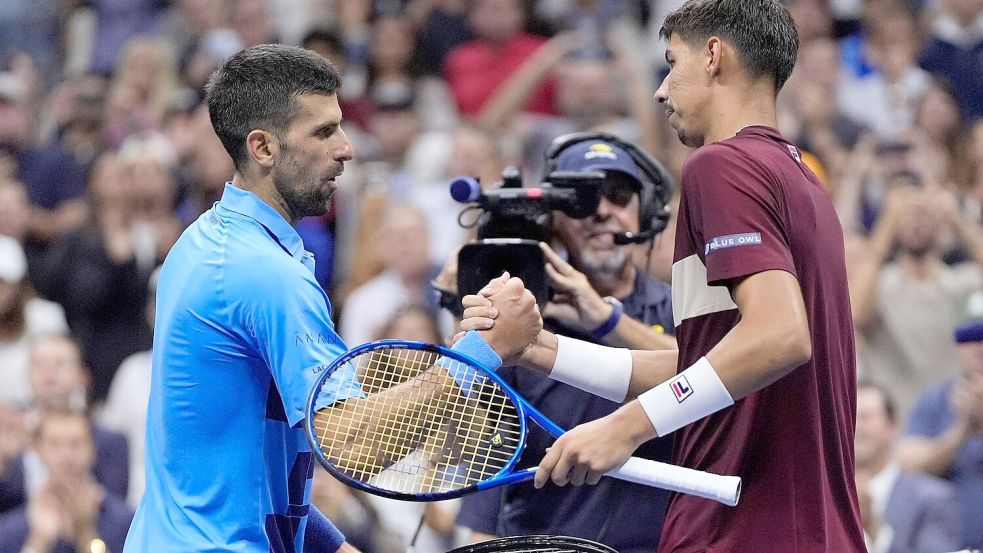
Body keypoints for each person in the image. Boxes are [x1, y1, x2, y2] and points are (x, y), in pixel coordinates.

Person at [462, 1, 866, 551]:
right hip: (810, 529)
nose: (660, 90)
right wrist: (540, 349)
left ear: (714, 56)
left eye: (672, 63)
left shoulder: (721, 165)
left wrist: (623, 427)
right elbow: (711, 363)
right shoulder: (800, 179)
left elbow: (779, 338)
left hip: (742, 534)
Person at [124, 44, 541, 553]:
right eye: (323, 132)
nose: (346, 147)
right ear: (262, 148)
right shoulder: (266, 274)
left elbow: (249, 466)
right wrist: (481, 354)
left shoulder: (202, 244)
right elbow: (348, 446)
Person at [455, 134, 677, 551]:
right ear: (553, 219)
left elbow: (706, 372)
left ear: (643, 213)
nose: (602, 213)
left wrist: (606, 319)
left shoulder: (679, 309)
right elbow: (488, 459)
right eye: (582, 201)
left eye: (618, 197)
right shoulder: (519, 323)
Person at [898, 291, 983, 549]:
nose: (979, 345)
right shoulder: (936, 400)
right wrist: (963, 430)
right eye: (971, 336)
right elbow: (908, 464)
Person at [0, 409, 133, 553]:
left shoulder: (125, 522)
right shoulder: (13, 527)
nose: (66, 455)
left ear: (92, 448)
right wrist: (39, 540)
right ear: (38, 450)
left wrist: (85, 533)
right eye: (55, 444)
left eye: (75, 444)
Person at [854, 381, 960, 553]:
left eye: (865, 417)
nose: (855, 427)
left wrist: (874, 529)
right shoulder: (822, 496)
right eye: (848, 417)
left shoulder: (932, 499)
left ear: (893, 428)